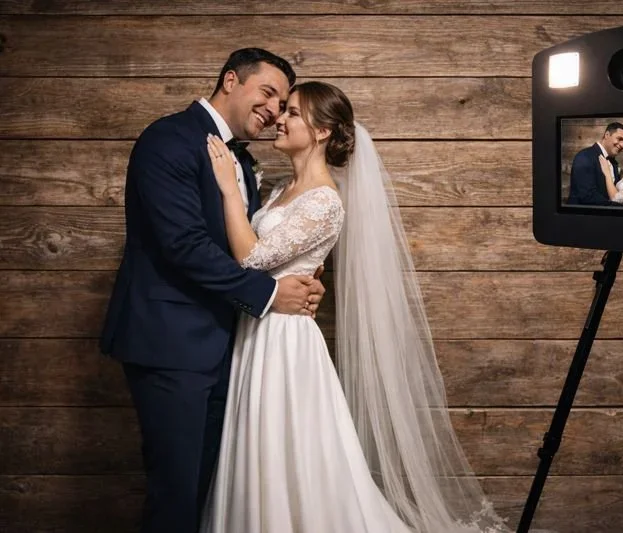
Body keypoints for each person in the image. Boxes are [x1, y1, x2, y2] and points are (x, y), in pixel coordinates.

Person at [199, 81, 514, 533]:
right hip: (259, 327)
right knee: (260, 445)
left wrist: (229, 190)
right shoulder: (283, 189)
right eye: (281, 110)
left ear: (323, 131)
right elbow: (262, 259)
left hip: (286, 340)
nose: (279, 119)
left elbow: (250, 258)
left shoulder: (325, 200)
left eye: (291, 112)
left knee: (288, 446)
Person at [98, 48, 326, 533]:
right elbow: (183, 245)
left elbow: (250, 248)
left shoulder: (239, 162)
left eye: (282, 103)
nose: (272, 110)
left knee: (207, 489)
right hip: (170, 344)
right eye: (267, 93)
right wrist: (270, 295)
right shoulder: (169, 140)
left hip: (229, 347)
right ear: (230, 81)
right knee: (176, 490)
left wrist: (306, 276)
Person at [566, 122, 623, 206]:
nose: (622, 145)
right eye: (619, 139)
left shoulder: (614, 163)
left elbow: (614, 194)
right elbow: (587, 196)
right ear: (607, 135)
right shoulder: (585, 156)